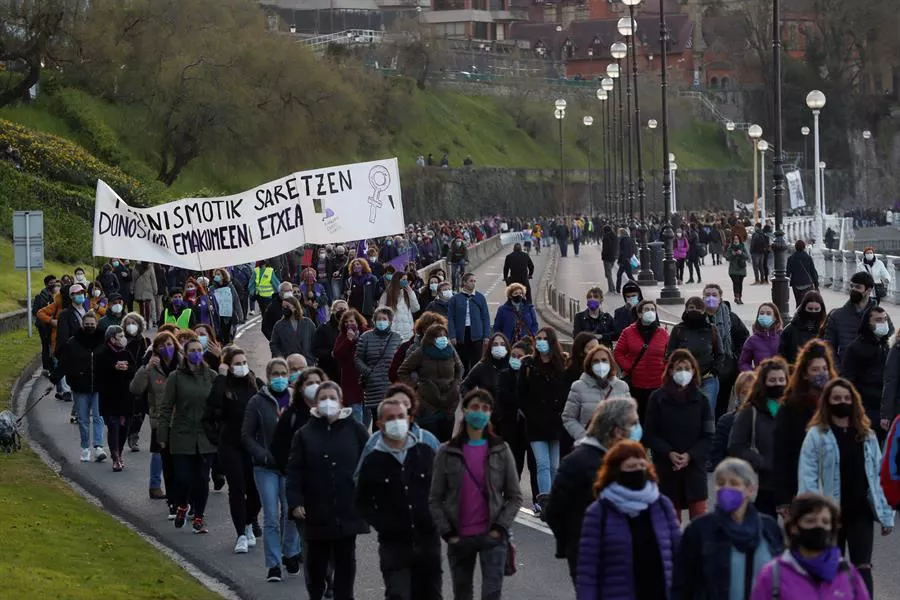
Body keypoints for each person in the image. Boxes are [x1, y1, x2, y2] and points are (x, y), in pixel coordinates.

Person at [797, 378, 894, 596]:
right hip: (829, 514)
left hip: (861, 512)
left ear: (854, 401)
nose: (842, 402)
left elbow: (878, 476)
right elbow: (807, 476)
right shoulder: (816, 435)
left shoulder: (867, 435)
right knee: (830, 567)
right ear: (827, 402)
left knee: (863, 568)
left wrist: (886, 515)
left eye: (847, 398)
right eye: (837, 398)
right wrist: (809, 515)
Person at [428, 389, 522, 600]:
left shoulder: (501, 449)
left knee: (491, 593)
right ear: (465, 411)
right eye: (475, 407)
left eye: (485, 409)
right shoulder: (447, 451)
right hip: (459, 536)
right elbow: (435, 498)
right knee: (462, 593)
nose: (480, 412)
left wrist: (500, 527)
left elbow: (514, 496)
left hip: (492, 536)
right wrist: (447, 532)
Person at [287, 381, 370, 600]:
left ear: (341, 401)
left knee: (345, 561)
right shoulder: (304, 434)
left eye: (332, 397)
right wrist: (295, 502)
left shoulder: (356, 429)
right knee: (316, 564)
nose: (328, 402)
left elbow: (370, 463)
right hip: (316, 511)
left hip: (346, 509)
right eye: (323, 398)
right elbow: (295, 470)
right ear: (315, 403)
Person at [355, 396, 442, 600]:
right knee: (398, 594)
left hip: (427, 543)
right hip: (394, 546)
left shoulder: (425, 452)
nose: (396, 421)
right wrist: (383, 524)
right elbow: (362, 501)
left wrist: (437, 518)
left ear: (409, 419)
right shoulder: (373, 461)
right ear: (379, 424)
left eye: (401, 416)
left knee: (431, 594)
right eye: (390, 418)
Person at [547, 397, 640, 584]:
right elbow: (554, 511)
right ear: (617, 430)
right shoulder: (577, 462)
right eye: (633, 424)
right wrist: (576, 543)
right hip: (589, 556)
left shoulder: (631, 460)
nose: (637, 429)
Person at [576, 440, 680, 600]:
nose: (638, 471)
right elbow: (588, 570)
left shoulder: (661, 505)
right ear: (616, 472)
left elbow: (679, 555)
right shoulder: (599, 512)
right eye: (631, 468)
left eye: (641, 466)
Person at [672, 458, 784, 600]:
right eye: (720, 483)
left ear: (750, 489)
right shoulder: (699, 530)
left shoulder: (769, 528)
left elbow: (781, 578)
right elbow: (682, 584)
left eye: (734, 483)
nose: (726, 488)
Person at [241, 358, 302, 581]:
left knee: (292, 512)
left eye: (283, 373)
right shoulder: (257, 402)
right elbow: (246, 435)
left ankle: (291, 552)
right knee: (271, 517)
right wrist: (262, 454)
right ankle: (274, 564)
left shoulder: (297, 400)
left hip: (290, 467)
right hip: (266, 468)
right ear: (268, 377)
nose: (280, 378)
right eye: (275, 374)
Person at [750, 494, 870, 600]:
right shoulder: (773, 575)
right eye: (810, 521)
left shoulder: (847, 574)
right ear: (794, 527)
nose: (819, 526)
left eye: (825, 522)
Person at [202, 346, 262, 554]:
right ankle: (241, 534)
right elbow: (211, 409)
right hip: (230, 444)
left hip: (252, 445)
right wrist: (220, 377)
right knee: (237, 488)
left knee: (255, 491)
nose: (242, 367)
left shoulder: (254, 383)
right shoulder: (222, 385)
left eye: (244, 363)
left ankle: (249, 521)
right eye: (237, 363)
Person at [644, 349, 714, 522]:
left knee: (699, 524)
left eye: (687, 368)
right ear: (670, 370)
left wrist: (690, 456)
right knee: (670, 524)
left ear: (693, 371)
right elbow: (649, 434)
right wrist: (669, 452)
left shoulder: (702, 400)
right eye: (679, 368)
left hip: (694, 470)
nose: (683, 372)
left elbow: (709, 436)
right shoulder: (657, 398)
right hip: (666, 469)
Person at [158, 337, 217, 533]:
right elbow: (165, 407)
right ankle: (182, 504)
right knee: (183, 478)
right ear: (185, 353)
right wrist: (162, 435)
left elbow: (222, 403)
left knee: (202, 478)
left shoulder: (211, 376)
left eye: (199, 350)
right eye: (192, 350)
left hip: (205, 437)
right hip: (182, 434)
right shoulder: (176, 377)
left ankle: (199, 516)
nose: (196, 353)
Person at [773, 340, 838, 515]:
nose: (821, 374)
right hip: (800, 486)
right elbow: (780, 454)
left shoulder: (838, 401)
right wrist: (783, 499)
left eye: (824, 369)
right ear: (805, 374)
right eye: (815, 370)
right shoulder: (791, 407)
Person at [727, 357, 789, 517]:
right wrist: (761, 462)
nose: (778, 384)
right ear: (763, 382)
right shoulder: (750, 411)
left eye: (781, 379)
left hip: (790, 485)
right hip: (762, 485)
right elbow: (736, 446)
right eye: (772, 380)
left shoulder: (792, 410)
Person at [519, 327, 568, 517]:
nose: (540, 342)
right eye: (537, 338)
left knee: (555, 465)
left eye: (544, 339)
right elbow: (521, 394)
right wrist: (531, 415)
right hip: (535, 423)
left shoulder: (561, 364)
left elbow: (565, 392)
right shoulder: (529, 365)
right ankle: (545, 502)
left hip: (555, 422)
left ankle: (555, 501)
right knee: (542, 464)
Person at [49, 310, 105, 463]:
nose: (89, 326)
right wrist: (54, 380)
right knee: (83, 419)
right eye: (87, 324)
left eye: (92, 324)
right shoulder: (73, 342)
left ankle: (99, 446)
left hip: (99, 386)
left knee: (99, 417)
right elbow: (64, 364)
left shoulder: (103, 340)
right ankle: (85, 448)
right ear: (82, 325)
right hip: (80, 387)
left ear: (96, 324)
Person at [397, 323, 464, 442]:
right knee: (431, 441)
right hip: (428, 404)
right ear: (430, 338)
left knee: (446, 442)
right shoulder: (421, 352)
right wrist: (415, 387)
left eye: (444, 335)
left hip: (448, 402)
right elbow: (403, 371)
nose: (443, 338)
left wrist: (456, 384)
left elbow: (460, 368)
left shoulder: (451, 351)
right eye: (439, 336)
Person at [841, 305, 891, 444]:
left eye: (885, 319)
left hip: (883, 408)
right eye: (878, 320)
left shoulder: (885, 346)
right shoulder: (856, 348)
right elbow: (847, 379)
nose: (883, 323)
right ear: (868, 323)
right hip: (866, 408)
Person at [667, 297, 724, 415]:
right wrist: (678, 370)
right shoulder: (678, 329)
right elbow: (670, 353)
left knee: (707, 412)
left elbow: (720, 354)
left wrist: (714, 371)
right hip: (684, 377)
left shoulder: (711, 329)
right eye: (692, 308)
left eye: (699, 308)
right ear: (686, 309)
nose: (695, 311)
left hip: (707, 377)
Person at [614, 300, 669, 423]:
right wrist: (628, 367)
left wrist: (663, 369)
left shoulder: (663, 334)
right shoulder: (628, 332)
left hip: (657, 385)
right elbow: (618, 352)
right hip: (636, 385)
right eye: (647, 309)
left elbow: (669, 355)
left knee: (655, 420)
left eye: (653, 310)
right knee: (637, 419)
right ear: (639, 314)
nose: (650, 312)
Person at [562, 345, 629, 441]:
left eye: (604, 360)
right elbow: (568, 417)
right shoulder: (578, 387)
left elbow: (629, 418)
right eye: (596, 361)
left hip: (614, 447)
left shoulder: (621, 387)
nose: (600, 364)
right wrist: (583, 437)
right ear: (590, 364)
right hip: (588, 447)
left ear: (611, 363)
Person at [96, 325, 137, 472]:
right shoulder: (102, 353)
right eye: (120, 337)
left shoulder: (127, 353)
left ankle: (119, 451)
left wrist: (126, 369)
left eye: (123, 336)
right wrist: (114, 368)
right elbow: (99, 373)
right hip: (109, 396)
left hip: (125, 397)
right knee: (113, 425)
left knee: (124, 427)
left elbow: (134, 370)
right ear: (112, 339)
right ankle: (115, 457)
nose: (123, 339)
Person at [355, 306, 402, 427]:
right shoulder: (365, 337)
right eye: (379, 319)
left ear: (390, 321)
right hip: (373, 386)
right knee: (378, 420)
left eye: (384, 319)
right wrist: (368, 372)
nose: (381, 321)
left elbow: (402, 360)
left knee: (392, 418)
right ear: (374, 321)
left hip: (391, 385)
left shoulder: (397, 338)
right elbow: (358, 358)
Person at [823, 271, 879, 362]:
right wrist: (840, 371)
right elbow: (828, 348)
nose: (853, 289)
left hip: (870, 374)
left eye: (858, 287)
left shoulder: (880, 317)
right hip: (844, 372)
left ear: (869, 290)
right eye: (851, 286)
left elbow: (885, 349)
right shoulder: (837, 316)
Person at [448, 272, 491, 373]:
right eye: (471, 281)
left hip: (476, 334)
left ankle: (475, 385)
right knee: (462, 363)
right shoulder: (455, 299)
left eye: (475, 281)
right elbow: (451, 318)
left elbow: (485, 317)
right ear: (464, 282)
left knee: (476, 363)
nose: (473, 283)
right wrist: (452, 335)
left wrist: (486, 336)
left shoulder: (480, 297)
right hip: (461, 335)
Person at [333, 309, 370, 424]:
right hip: (350, 378)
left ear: (358, 321)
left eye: (352, 321)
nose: (349, 324)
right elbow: (337, 354)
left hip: (366, 377)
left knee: (367, 411)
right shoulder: (342, 337)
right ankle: (359, 435)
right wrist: (348, 340)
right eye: (346, 322)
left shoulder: (367, 333)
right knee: (356, 409)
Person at [779, 291, 826, 364]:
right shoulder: (790, 330)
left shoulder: (826, 330)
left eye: (816, 309)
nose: (813, 312)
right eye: (810, 309)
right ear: (803, 308)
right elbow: (781, 353)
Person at [269, 296, 316, 363]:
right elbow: (274, 344)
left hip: (307, 362)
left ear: (295, 307)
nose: (284, 309)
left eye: (287, 307)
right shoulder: (279, 325)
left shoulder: (308, 323)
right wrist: (279, 357)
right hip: (288, 363)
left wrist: (313, 357)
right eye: (283, 307)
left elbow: (316, 341)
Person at [739, 302, 783, 372]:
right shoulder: (752, 340)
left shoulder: (782, 337)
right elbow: (743, 363)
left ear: (775, 318)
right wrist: (752, 374)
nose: (764, 316)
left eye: (768, 314)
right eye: (761, 313)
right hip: (760, 380)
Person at [492, 283, 539, 347]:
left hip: (526, 343)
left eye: (521, 293)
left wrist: (532, 336)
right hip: (509, 344)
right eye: (516, 293)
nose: (519, 295)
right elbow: (497, 327)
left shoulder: (529, 308)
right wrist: (501, 341)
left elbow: (535, 324)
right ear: (510, 295)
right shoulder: (502, 309)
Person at [379, 270, 420, 342]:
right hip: (393, 334)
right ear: (397, 280)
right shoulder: (387, 295)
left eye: (406, 280)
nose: (405, 282)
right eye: (403, 280)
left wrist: (411, 293)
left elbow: (415, 309)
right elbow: (381, 313)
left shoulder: (407, 294)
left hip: (408, 334)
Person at [311, 299, 346, 383]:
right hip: (328, 371)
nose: (343, 312)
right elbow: (315, 350)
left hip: (345, 371)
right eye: (340, 309)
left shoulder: (350, 328)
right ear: (333, 311)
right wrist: (330, 353)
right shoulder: (323, 328)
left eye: (345, 309)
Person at [210, 268, 244, 345]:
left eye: (218, 274)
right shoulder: (212, 288)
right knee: (218, 338)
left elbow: (236, 301)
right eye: (215, 274)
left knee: (228, 337)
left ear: (223, 276)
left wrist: (240, 315)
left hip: (228, 317)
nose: (216, 276)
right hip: (217, 317)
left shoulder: (230, 287)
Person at [786, 240, 819, 307]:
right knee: (807, 304)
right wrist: (816, 285)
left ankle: (798, 316)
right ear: (804, 247)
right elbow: (813, 272)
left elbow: (788, 273)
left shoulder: (791, 258)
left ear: (795, 248)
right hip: (807, 283)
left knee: (798, 303)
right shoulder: (808, 258)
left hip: (796, 284)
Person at [601, 225, 619, 293]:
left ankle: (611, 288)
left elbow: (605, 248)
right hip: (613, 257)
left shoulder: (606, 237)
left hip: (607, 257)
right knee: (609, 273)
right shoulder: (615, 236)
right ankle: (612, 287)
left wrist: (603, 256)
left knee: (608, 274)